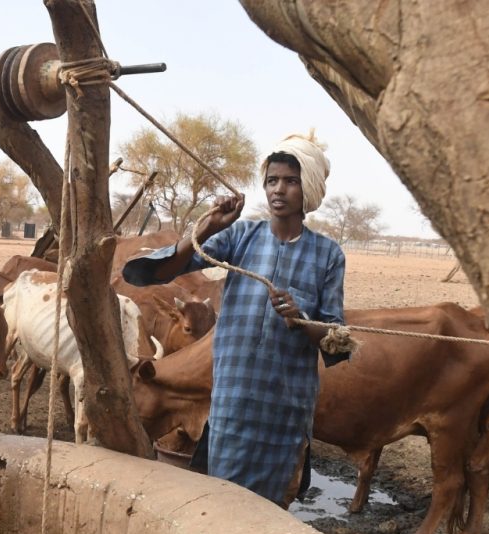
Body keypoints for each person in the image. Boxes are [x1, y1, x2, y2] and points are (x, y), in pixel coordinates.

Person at [121, 131, 348, 505]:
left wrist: (303, 319)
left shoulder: (328, 255)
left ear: (308, 189)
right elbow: (159, 273)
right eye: (272, 180)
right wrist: (208, 226)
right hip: (232, 406)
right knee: (221, 505)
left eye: (291, 181)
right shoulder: (240, 236)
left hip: (285, 414)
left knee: (272, 512)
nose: (279, 190)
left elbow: (335, 340)